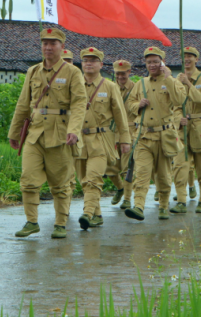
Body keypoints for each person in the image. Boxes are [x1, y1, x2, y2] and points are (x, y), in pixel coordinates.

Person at [8, 28, 87, 239]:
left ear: (62, 46)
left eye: (53, 43)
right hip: (34, 135)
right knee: (28, 180)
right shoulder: (33, 71)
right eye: (45, 43)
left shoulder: (72, 72)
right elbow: (23, 103)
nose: (48, 47)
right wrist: (15, 132)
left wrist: (74, 130)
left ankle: (60, 223)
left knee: (60, 184)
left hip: (60, 134)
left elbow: (79, 104)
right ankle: (31, 221)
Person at [123, 47, 186, 220]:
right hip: (143, 136)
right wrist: (138, 105)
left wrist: (170, 78)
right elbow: (131, 103)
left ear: (162, 63)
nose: (152, 65)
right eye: (149, 62)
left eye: (156, 62)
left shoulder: (171, 81)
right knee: (141, 173)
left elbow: (179, 100)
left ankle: (164, 206)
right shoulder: (141, 83)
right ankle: (139, 207)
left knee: (164, 176)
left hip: (164, 137)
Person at [75, 47, 131, 229]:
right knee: (83, 180)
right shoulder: (74, 85)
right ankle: (97, 214)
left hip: (101, 140)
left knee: (93, 178)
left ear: (101, 64)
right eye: (85, 60)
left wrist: (124, 139)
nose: (88, 63)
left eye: (93, 60)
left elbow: (120, 116)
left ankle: (87, 213)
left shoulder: (110, 86)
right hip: (79, 141)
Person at [172, 46, 201, 214]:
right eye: (184, 56)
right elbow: (175, 104)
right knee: (180, 166)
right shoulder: (177, 80)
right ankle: (181, 200)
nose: (187, 59)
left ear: (197, 59)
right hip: (182, 128)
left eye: (190, 56)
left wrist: (188, 83)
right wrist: (177, 119)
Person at [104, 60, 138, 209]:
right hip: (111, 133)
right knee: (109, 167)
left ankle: (128, 199)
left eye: (123, 73)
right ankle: (120, 188)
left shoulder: (136, 89)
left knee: (127, 168)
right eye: (117, 73)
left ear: (129, 72)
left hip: (129, 132)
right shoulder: (110, 88)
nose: (120, 76)